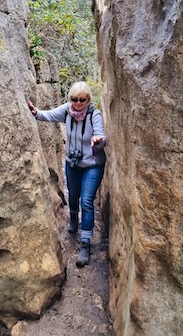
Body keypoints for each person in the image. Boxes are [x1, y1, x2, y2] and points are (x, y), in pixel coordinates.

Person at [28, 81, 106, 268]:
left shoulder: (94, 115)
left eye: (82, 100)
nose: (77, 103)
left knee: (86, 202)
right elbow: (48, 115)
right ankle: (73, 219)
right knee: (73, 197)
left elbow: (101, 135)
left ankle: (85, 244)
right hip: (72, 163)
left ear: (88, 100)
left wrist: (98, 141)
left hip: (92, 165)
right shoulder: (67, 110)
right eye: (74, 99)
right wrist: (35, 112)